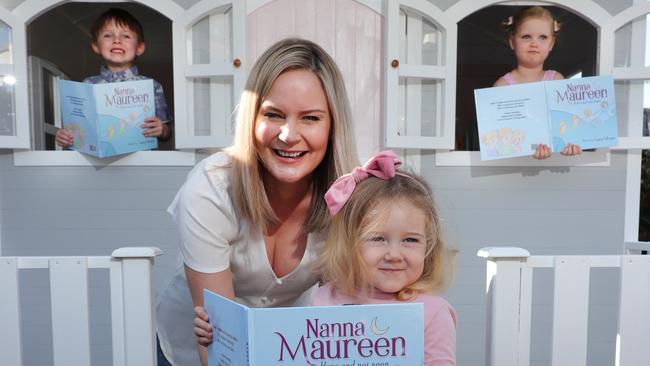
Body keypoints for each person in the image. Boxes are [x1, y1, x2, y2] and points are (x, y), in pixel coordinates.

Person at [158, 38, 359, 366]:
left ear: (334, 126)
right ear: (251, 120)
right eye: (274, 115)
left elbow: (341, 318)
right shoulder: (210, 188)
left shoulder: (349, 198)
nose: (288, 135)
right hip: (194, 350)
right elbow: (221, 343)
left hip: (281, 350)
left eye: (310, 118)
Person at [311, 150, 457, 366]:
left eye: (411, 240)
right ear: (349, 243)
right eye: (378, 238)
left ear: (429, 246)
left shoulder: (433, 313)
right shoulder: (323, 299)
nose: (394, 255)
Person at [55, 8, 172, 148]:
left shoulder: (151, 85)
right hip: (96, 164)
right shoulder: (87, 85)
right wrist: (66, 136)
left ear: (139, 48)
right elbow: (78, 130)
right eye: (108, 35)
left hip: (140, 162)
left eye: (126, 36)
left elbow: (167, 132)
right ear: (96, 46)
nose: (117, 40)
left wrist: (162, 130)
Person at [493, 6, 581, 159]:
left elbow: (567, 124)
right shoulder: (502, 86)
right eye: (526, 36)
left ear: (551, 44)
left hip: (553, 167)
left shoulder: (557, 80)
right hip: (514, 168)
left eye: (543, 37)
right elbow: (497, 137)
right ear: (512, 42)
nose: (534, 43)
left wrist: (571, 144)